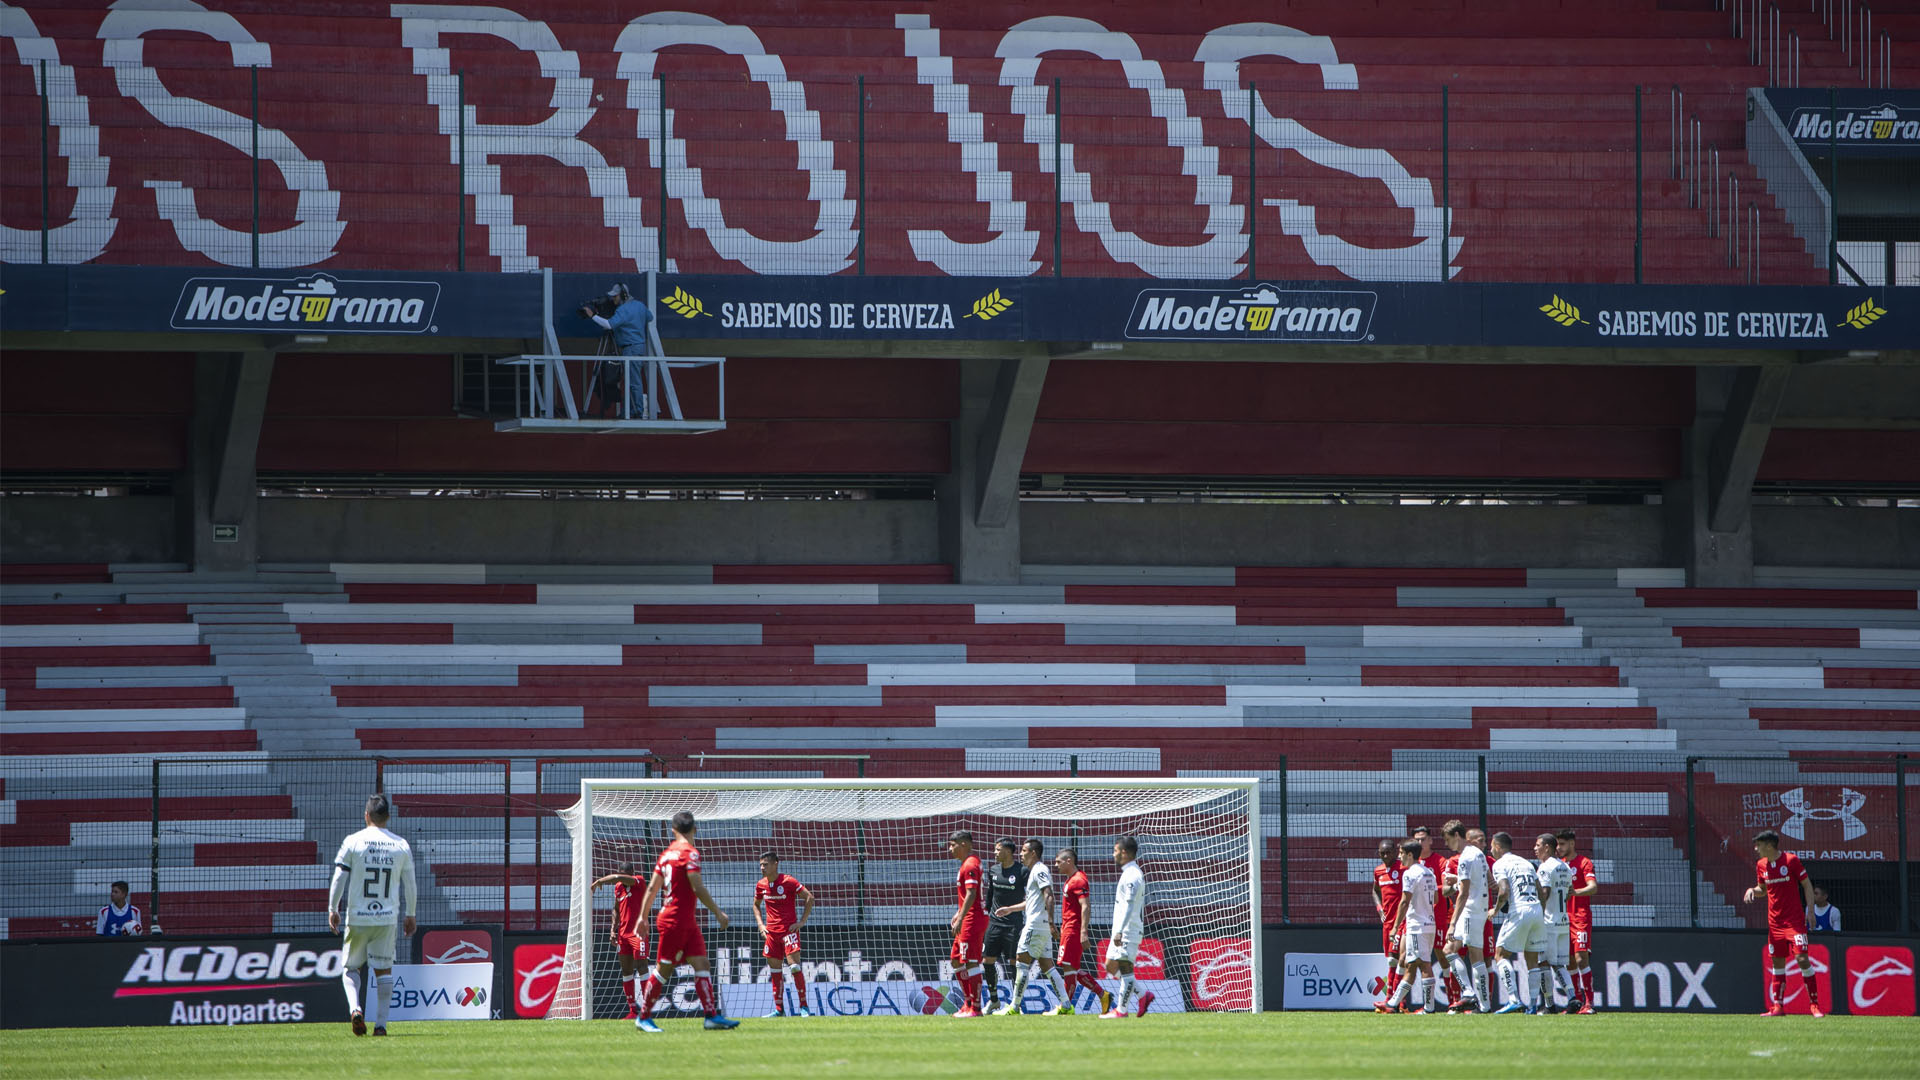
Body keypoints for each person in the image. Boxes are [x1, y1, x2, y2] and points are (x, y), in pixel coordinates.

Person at [633, 811, 738, 1032]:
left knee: (702, 964)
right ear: (695, 830)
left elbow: (652, 888)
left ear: (673, 830)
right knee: (664, 969)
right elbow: (697, 886)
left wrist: (643, 917)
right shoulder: (690, 853)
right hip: (674, 920)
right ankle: (643, 1017)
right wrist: (718, 912)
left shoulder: (665, 855)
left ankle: (711, 1016)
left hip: (685, 920)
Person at [327, 794, 417, 1037]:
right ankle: (381, 1026)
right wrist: (410, 913)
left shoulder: (353, 841)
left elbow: (339, 878)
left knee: (351, 968)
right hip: (386, 918)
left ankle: (355, 1009)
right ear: (388, 817)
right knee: (384, 970)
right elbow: (410, 883)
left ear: (366, 815)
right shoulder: (400, 845)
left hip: (358, 916)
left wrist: (333, 909)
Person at [1744, 830, 1823, 1017]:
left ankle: (1814, 1005)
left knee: (1802, 958)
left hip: (1794, 922)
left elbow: (1806, 884)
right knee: (1777, 963)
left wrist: (1810, 911)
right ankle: (1778, 1007)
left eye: (1758, 845)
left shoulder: (1790, 860)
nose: (1756, 849)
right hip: (1775, 924)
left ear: (1769, 845)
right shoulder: (1761, 865)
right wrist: (1752, 890)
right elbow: (1763, 889)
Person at [993, 839, 1074, 1014]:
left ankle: (1014, 1006)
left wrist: (1052, 923)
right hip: (1040, 924)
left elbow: (1049, 895)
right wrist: (1010, 909)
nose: (1021, 854)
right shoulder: (1034, 871)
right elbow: (1032, 902)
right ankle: (1066, 1005)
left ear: (1033, 853)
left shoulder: (1040, 870)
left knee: (1021, 961)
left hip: (1036, 924)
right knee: (1047, 965)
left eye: (1024, 851)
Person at [1379, 841, 1439, 1014]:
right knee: (1411, 966)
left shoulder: (1410, 873)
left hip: (1416, 926)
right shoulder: (1429, 872)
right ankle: (1393, 1004)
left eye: (1401, 853)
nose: (1400, 857)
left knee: (1424, 966)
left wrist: (1395, 926)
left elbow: (1404, 901)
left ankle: (1429, 1008)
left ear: (1410, 855)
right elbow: (1435, 899)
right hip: (1429, 924)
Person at [1489, 831, 1545, 1014]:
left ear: (1498, 846)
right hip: (1536, 909)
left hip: (1519, 910)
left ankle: (1514, 999)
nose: (1491, 850)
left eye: (1491, 847)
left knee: (1500, 955)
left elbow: (1504, 891)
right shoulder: (1526, 863)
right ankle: (1533, 1005)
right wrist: (1541, 912)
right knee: (1532, 960)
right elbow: (1540, 891)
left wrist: (1495, 910)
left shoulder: (1499, 864)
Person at [753, 851, 814, 1018]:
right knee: (775, 971)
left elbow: (809, 898)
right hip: (771, 935)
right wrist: (761, 925)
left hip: (788, 932)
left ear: (776, 864)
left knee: (794, 967)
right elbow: (755, 905)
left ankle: (804, 1007)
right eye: (761, 865)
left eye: (765, 864)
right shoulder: (761, 885)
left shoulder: (788, 881)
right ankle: (779, 1010)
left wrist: (801, 922)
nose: (762, 868)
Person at [1052, 847, 1112, 1015]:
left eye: (1058, 862)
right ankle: (1103, 995)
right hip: (1068, 928)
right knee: (1072, 968)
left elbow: (1085, 906)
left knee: (1068, 967)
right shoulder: (1071, 879)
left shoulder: (1078, 880)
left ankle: (1066, 1007)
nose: (1056, 865)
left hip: (1073, 929)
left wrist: (1083, 932)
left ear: (1068, 861)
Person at [1101, 835, 1155, 1018]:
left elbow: (1130, 905)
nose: (1113, 854)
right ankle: (1143, 995)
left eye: (1115, 850)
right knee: (1110, 965)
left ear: (1124, 852)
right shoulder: (1128, 872)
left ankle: (1121, 1010)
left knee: (1125, 967)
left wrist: (1119, 931)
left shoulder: (1133, 875)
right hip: (1122, 929)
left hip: (1128, 930)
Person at [581, 283, 654, 417]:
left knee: (633, 381)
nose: (613, 299)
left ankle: (637, 411)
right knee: (632, 380)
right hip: (638, 346)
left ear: (623, 296)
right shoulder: (639, 305)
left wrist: (593, 316)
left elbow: (609, 325)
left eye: (615, 296)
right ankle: (631, 410)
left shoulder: (622, 310)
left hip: (630, 348)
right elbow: (650, 317)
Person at [589, 862, 650, 1018]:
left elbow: (617, 877)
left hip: (638, 933)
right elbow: (616, 909)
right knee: (626, 971)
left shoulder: (639, 881)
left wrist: (600, 881)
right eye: (622, 874)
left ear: (632, 873)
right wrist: (612, 929)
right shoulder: (618, 888)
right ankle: (632, 1011)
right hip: (623, 934)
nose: (623, 878)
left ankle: (647, 1010)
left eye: (626, 874)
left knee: (642, 967)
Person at [1441, 820, 1490, 1013]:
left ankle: (1471, 995)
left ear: (1456, 836)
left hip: (1470, 910)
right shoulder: (1478, 853)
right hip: (1479, 908)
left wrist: (1452, 923)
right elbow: (1489, 880)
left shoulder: (1465, 858)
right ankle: (1481, 1003)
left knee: (1474, 955)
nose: (1447, 844)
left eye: (1448, 839)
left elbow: (1463, 893)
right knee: (1450, 949)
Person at [980, 838, 1030, 1012]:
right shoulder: (993, 870)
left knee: (1014, 963)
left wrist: (1011, 910)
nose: (994, 853)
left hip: (1014, 925)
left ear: (1008, 852)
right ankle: (994, 1000)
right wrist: (986, 914)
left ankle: (1017, 1004)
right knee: (987, 961)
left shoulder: (1022, 871)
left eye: (998, 849)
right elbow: (990, 894)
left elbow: (1030, 898)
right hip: (994, 924)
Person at [1557, 828, 1600, 1013]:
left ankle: (1589, 1003)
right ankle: (1576, 1003)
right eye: (1557, 844)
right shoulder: (1559, 865)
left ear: (1572, 843)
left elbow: (1593, 887)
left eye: (1562, 844)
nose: (1559, 848)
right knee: (1569, 962)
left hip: (1580, 917)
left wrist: (1575, 892)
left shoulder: (1584, 862)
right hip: (1562, 919)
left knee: (1581, 958)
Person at [1412, 825, 1454, 1008]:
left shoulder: (1440, 861)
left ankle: (1453, 1001)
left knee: (1442, 958)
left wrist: (1428, 887)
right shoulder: (1410, 862)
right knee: (1411, 960)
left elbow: (1446, 888)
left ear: (1430, 840)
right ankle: (1400, 1004)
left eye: (1423, 839)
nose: (1420, 843)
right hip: (1416, 919)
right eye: (1417, 840)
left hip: (1437, 916)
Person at [947, 830, 988, 1017]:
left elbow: (972, 894)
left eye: (952, 845)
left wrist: (962, 917)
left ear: (963, 844)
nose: (950, 849)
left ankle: (976, 1008)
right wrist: (958, 914)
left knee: (971, 961)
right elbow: (967, 895)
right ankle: (968, 1003)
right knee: (956, 959)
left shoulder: (970, 864)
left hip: (973, 918)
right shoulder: (969, 863)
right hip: (967, 916)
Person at [1533, 834, 1576, 1013]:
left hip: (1548, 923)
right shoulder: (1565, 867)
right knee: (1558, 964)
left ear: (1547, 847)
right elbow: (1570, 892)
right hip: (1563, 922)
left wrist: (1537, 918)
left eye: (1538, 845)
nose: (1535, 849)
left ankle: (1549, 1005)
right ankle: (1573, 997)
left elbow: (1544, 893)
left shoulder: (1545, 867)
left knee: (1543, 962)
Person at [1368, 839, 1405, 1008]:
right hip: (1388, 924)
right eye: (1381, 853)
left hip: (1402, 922)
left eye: (1388, 852)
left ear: (1395, 852)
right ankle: (1394, 1000)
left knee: (1397, 960)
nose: (1385, 856)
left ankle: (1395, 1000)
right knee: (1391, 960)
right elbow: (1375, 891)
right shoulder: (1378, 871)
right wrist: (1380, 909)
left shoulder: (1404, 868)